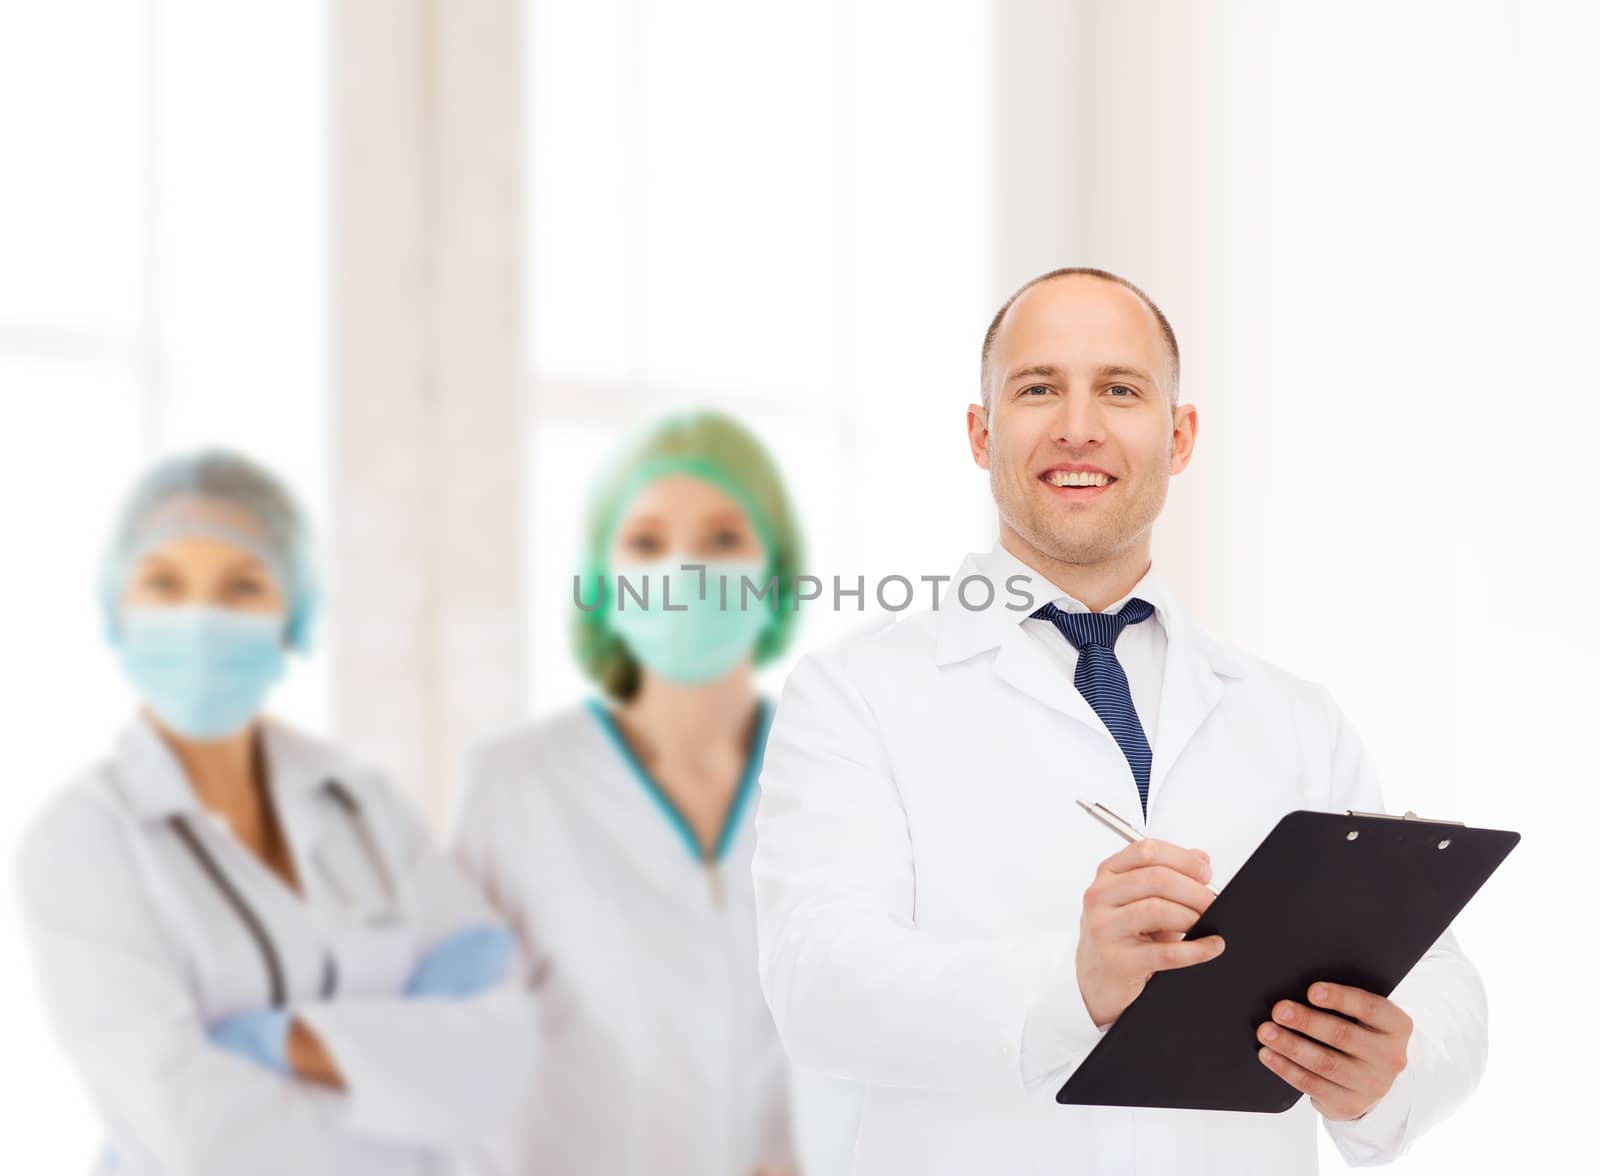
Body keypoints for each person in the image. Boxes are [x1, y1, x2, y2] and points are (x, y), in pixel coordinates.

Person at [751, 268, 1487, 1175]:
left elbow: (1439, 977)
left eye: (1120, 389)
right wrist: (1074, 985)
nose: (1078, 425)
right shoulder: (855, 694)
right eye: (1037, 388)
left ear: (1179, 438)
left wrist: (1391, 1068)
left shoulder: (1293, 717)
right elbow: (817, 986)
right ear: (981, 435)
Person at [14, 450, 537, 1176]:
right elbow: (190, 1132)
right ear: (117, 611)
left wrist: (274, 1043)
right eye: (163, 585)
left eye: (241, 587)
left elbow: (499, 1054)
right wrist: (401, 1089)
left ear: (293, 613)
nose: (199, 619)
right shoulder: (83, 839)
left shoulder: (364, 804)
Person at [453, 411, 803, 1176]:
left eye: (722, 539)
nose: (685, 571)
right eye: (646, 543)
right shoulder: (516, 789)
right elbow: (463, 1074)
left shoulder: (834, 778)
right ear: (604, 582)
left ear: (776, 572)